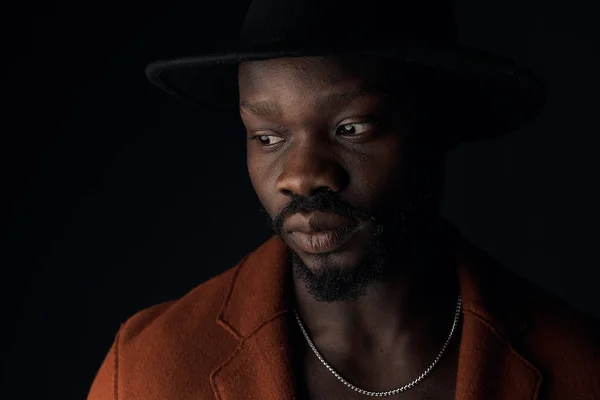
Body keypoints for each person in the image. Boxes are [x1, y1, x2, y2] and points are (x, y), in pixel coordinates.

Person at [88, 0, 600, 399]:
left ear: (438, 123)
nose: (302, 177)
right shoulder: (148, 366)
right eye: (267, 137)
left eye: (351, 127)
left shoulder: (578, 367)